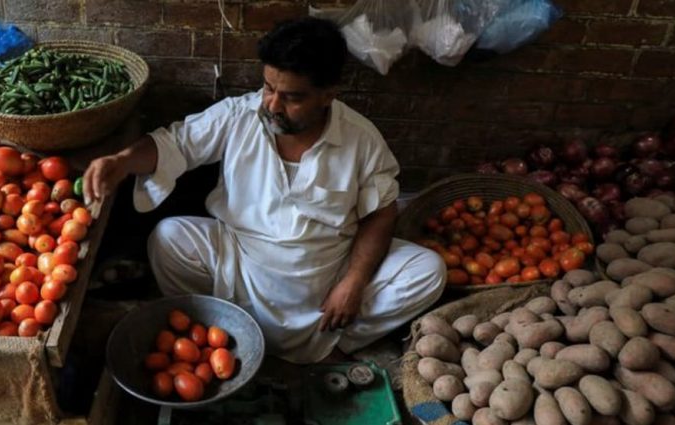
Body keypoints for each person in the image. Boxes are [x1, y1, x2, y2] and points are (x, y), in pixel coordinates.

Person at [82, 16, 446, 363]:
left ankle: (334, 342)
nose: (272, 105)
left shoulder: (361, 139)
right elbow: (174, 144)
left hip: (327, 270)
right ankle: (218, 329)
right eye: (268, 88)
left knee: (428, 271)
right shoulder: (240, 115)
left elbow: (382, 211)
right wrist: (122, 161)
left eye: (292, 97)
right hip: (241, 262)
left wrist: (353, 282)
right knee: (168, 238)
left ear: (328, 94)